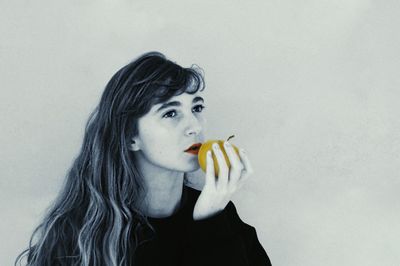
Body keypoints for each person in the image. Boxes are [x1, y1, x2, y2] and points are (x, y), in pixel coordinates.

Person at [15, 52, 272, 266]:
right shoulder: (79, 236)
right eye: (170, 113)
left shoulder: (217, 213)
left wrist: (210, 220)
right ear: (130, 137)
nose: (194, 126)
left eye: (196, 108)